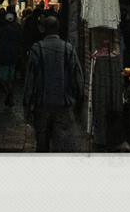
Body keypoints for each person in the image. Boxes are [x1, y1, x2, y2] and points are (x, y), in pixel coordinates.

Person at [22, 15, 84, 152]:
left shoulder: (36, 49)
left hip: (41, 107)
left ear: (43, 29)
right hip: (64, 107)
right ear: (59, 29)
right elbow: (78, 79)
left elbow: (30, 80)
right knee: (62, 147)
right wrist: (77, 101)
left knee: (42, 146)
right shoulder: (68, 49)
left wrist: (27, 105)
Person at [0, 11, 22, 107]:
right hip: (13, 57)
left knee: (2, 78)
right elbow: (19, 44)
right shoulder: (17, 31)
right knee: (11, 78)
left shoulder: (1, 31)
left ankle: (8, 92)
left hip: (3, 56)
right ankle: (11, 97)